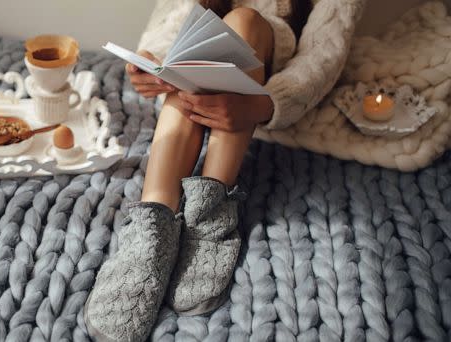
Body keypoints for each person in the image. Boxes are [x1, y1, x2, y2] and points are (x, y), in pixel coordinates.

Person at [84, 0, 365, 341]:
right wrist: (156, 62)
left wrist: (265, 103)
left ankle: (210, 206)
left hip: (268, 82)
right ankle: (153, 221)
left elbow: (324, 54)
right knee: (195, 54)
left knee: (244, 22)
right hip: (194, 77)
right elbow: (174, 15)